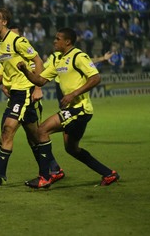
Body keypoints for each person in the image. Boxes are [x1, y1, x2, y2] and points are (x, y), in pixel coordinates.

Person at [16, 27, 120, 188]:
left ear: (67, 41)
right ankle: (108, 174)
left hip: (80, 109)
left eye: (58, 38)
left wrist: (73, 94)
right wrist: (25, 71)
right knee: (72, 149)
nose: (54, 41)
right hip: (72, 110)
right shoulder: (58, 59)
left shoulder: (78, 56)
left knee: (42, 130)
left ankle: (45, 177)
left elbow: (96, 77)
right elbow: (40, 81)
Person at [0, 8, 64, 190]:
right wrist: (6, 84)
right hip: (16, 93)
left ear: (4, 22)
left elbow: (37, 61)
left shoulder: (18, 41)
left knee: (8, 129)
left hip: (25, 92)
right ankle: (54, 169)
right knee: (34, 136)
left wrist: (37, 87)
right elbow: (7, 68)